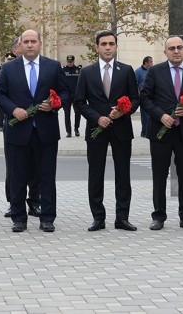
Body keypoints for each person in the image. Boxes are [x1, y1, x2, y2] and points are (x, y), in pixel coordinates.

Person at [0, 29, 68, 233]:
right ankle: (19, 218)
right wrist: (13, 109)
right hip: (18, 131)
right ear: (20, 45)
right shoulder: (9, 69)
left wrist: (54, 104)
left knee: (46, 176)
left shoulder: (53, 66)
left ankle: (47, 218)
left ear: (40, 43)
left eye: (33, 41)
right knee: (17, 176)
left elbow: (65, 93)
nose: (29, 45)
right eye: (25, 41)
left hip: (46, 132)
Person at [74, 30, 140, 232]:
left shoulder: (126, 70)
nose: (108, 47)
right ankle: (98, 218)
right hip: (96, 129)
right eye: (104, 44)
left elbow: (136, 99)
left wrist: (123, 111)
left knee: (123, 175)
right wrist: (96, 118)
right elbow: (79, 102)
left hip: (121, 130)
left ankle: (122, 218)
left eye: (111, 44)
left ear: (116, 46)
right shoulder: (87, 72)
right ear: (97, 47)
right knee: (96, 175)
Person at [140, 37, 183, 231]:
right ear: (165, 52)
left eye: (179, 47)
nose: (176, 51)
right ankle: (158, 216)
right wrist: (160, 116)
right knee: (159, 175)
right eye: (171, 48)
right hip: (160, 132)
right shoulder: (154, 72)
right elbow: (144, 97)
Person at [62, 55, 82, 138]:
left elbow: (81, 83)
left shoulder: (78, 70)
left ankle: (76, 129)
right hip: (66, 96)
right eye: (68, 61)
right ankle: (68, 131)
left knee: (77, 113)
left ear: (74, 61)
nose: (69, 63)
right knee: (67, 114)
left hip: (76, 95)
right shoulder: (63, 70)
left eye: (71, 62)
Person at [134, 56, 153, 137]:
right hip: (142, 97)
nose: (152, 63)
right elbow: (134, 83)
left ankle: (149, 131)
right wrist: (138, 93)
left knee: (151, 114)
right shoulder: (138, 71)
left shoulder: (152, 71)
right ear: (146, 63)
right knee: (145, 115)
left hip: (151, 97)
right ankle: (144, 132)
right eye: (151, 62)